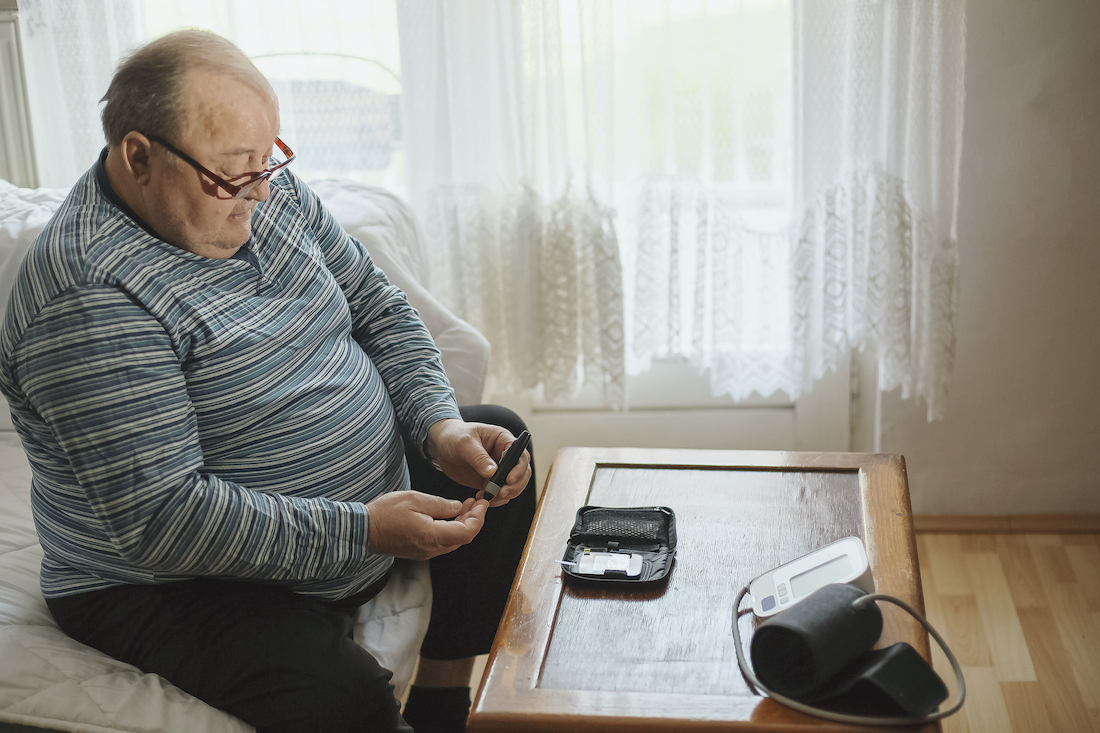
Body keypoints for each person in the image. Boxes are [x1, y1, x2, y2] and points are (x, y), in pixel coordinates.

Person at [0, 29, 536, 733]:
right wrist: (365, 530)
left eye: (267, 162)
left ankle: (442, 700)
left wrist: (439, 425)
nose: (257, 192)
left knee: (500, 446)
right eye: (231, 174)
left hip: (349, 523)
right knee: (343, 695)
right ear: (138, 155)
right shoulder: (88, 294)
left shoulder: (263, 188)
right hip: (175, 579)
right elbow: (169, 523)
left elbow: (378, 307)